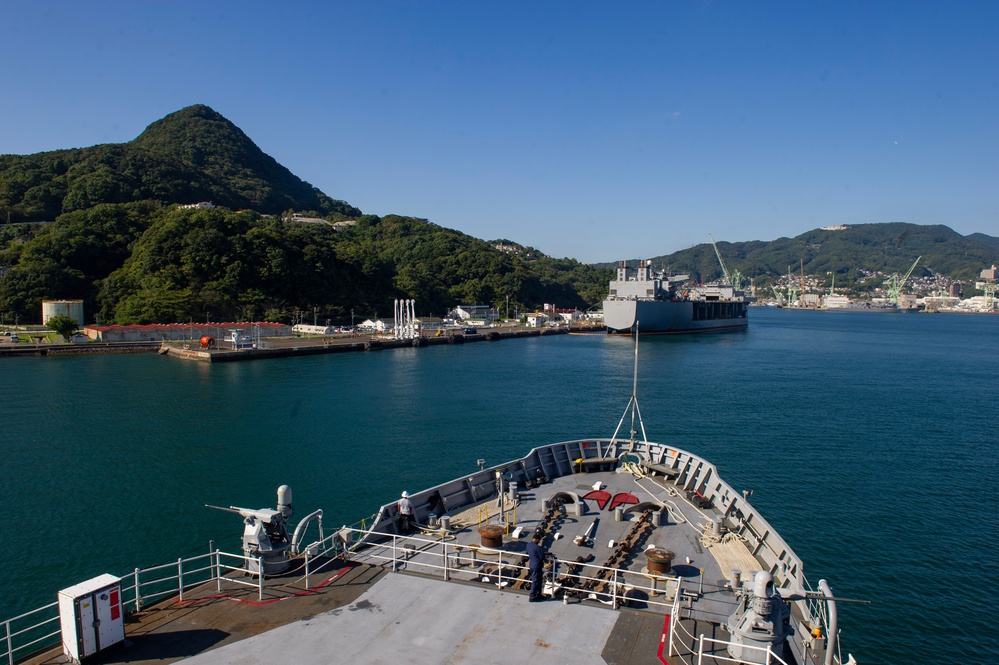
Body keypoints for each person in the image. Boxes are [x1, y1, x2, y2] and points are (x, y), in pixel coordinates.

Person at [526, 533, 545, 602]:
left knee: (539, 580)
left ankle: (538, 594)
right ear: (537, 540)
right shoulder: (537, 547)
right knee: (536, 580)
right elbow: (542, 556)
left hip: (532, 565)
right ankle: (532, 596)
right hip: (537, 566)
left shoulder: (528, 545)